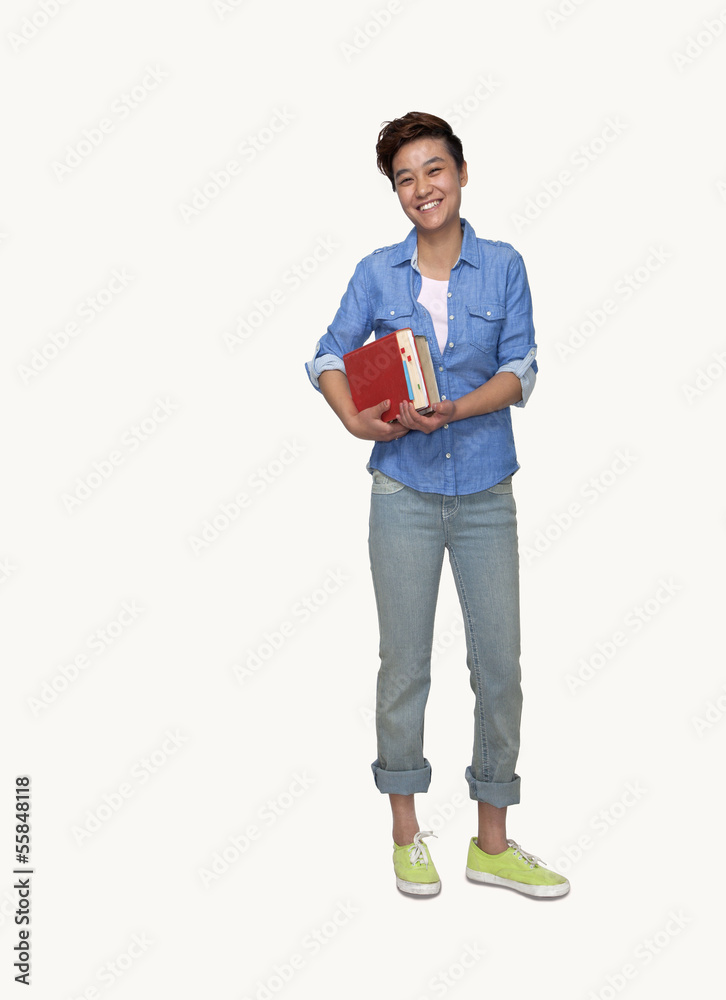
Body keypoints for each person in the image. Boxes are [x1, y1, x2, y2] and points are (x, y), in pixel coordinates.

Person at [306, 112, 569, 898]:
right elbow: (326, 354)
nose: (421, 188)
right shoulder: (375, 273)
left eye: (434, 170)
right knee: (404, 664)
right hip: (403, 491)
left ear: (460, 172)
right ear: (395, 192)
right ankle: (404, 832)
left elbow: (521, 369)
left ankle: (491, 843)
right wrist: (353, 418)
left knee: (499, 667)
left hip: (485, 491)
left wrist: (454, 409)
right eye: (404, 178)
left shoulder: (504, 265)